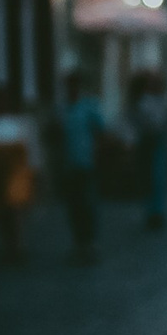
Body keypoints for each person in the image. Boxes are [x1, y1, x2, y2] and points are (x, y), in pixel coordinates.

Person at [0, 92, 38, 263]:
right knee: (1, 212)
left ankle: (17, 245)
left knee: (15, 211)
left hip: (17, 174)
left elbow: (30, 149)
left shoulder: (21, 123)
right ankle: (7, 245)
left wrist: (34, 171)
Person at [55, 72, 105, 262]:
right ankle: (78, 243)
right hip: (68, 164)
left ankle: (90, 242)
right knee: (73, 205)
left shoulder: (88, 106)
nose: (72, 89)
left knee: (88, 204)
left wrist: (97, 153)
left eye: (75, 85)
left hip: (86, 163)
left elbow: (100, 129)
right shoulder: (61, 109)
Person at [128, 72, 167, 231]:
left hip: (157, 142)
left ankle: (157, 212)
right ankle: (151, 212)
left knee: (158, 178)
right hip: (148, 142)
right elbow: (151, 122)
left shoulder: (160, 101)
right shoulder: (144, 101)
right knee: (149, 178)